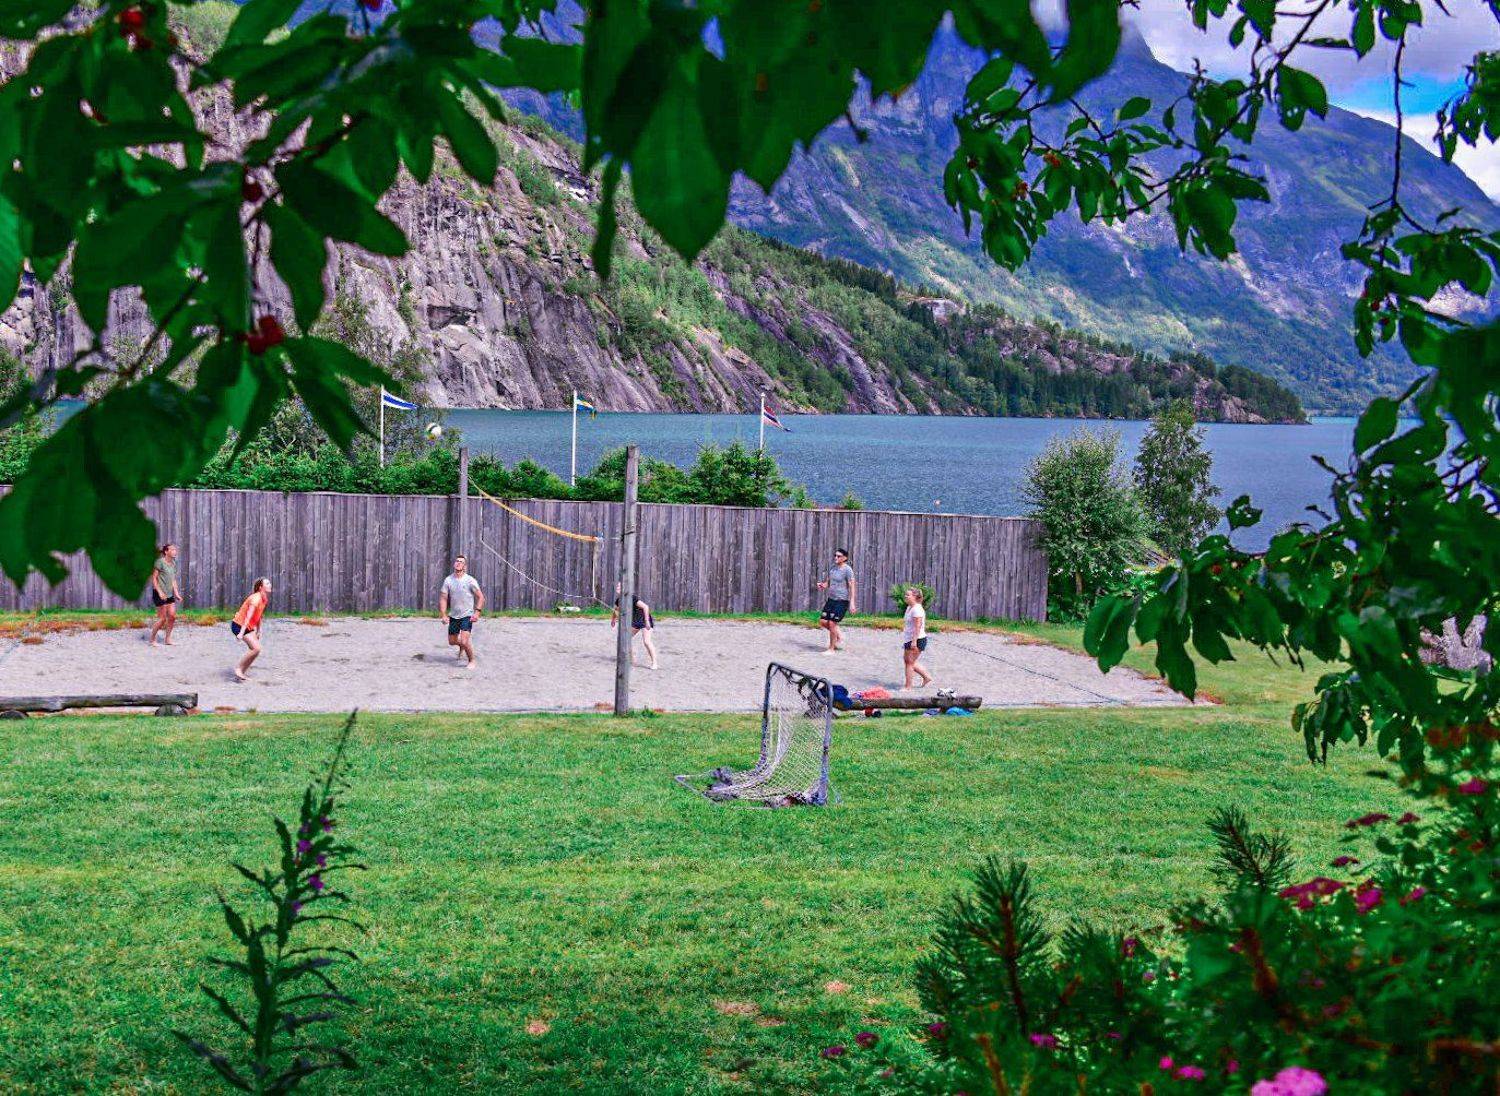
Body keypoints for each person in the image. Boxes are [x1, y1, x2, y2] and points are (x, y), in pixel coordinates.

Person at [439, 554, 484, 669]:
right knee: (452, 641)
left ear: (465, 566)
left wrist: (477, 613)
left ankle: (472, 660)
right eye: (457, 561)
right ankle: (463, 646)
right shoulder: (448, 580)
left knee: (464, 640)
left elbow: (481, 597)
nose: (458, 563)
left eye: (461, 562)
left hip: (467, 615)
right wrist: (443, 615)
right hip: (454, 615)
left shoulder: (470, 580)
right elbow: (443, 598)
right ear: (454, 564)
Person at [815, 548, 856, 653]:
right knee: (823, 621)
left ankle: (831, 648)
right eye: (835, 555)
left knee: (832, 623)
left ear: (845, 558)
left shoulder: (847, 570)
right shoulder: (833, 568)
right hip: (831, 599)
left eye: (838, 556)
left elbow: (852, 586)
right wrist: (823, 585)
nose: (836, 558)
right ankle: (839, 636)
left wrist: (852, 603)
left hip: (841, 600)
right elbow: (828, 583)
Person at [611, 581, 659, 670]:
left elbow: (645, 607)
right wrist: (613, 619)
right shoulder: (619, 600)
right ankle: (632, 660)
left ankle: (654, 663)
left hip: (644, 620)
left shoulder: (632, 598)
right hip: (634, 622)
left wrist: (647, 621)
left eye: (619, 586)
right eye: (617, 586)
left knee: (647, 641)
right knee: (625, 639)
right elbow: (616, 610)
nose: (617, 588)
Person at [231, 577, 272, 681]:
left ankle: (241, 672)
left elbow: (259, 615)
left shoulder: (264, 599)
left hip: (248, 627)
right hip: (239, 625)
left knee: (256, 650)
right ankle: (238, 669)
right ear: (260, 587)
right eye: (267, 583)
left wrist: (259, 630)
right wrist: (241, 633)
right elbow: (248, 616)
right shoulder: (255, 599)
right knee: (256, 648)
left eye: (269, 583)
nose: (270, 585)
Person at [148, 543, 182, 647]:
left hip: (169, 594)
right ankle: (152, 640)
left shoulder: (173, 563)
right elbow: (154, 578)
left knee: (172, 616)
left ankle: (167, 639)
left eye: (175, 550)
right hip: (159, 594)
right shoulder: (160, 562)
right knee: (162, 619)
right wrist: (160, 592)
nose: (175, 551)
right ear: (166, 552)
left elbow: (173, 579)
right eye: (172, 549)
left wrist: (176, 593)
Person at [900, 585, 933, 691]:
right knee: (909, 661)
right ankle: (926, 677)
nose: (906, 596)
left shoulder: (917, 609)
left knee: (909, 663)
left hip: (917, 639)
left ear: (915, 596)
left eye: (908, 595)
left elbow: (917, 627)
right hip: (909, 638)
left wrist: (914, 642)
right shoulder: (910, 607)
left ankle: (908, 686)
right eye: (906, 594)